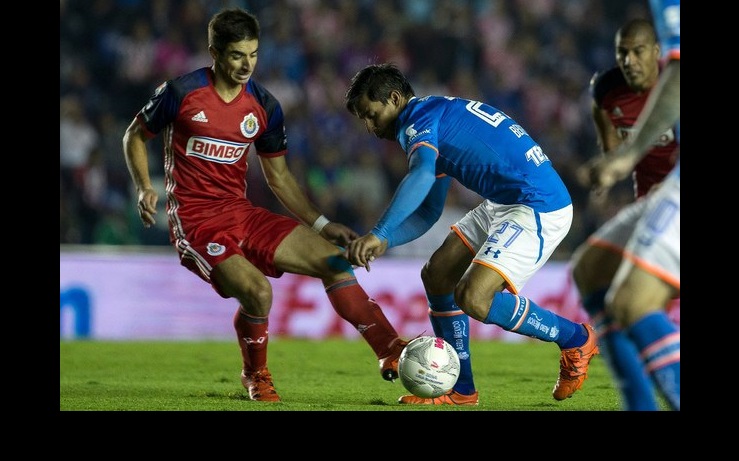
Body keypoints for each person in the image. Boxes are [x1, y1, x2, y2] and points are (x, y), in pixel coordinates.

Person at [122, 8, 407, 403]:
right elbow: (135, 136)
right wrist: (142, 187)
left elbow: (280, 178)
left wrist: (323, 225)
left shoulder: (264, 106)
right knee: (258, 293)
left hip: (241, 213)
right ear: (215, 53)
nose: (247, 65)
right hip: (195, 222)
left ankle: (391, 349)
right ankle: (255, 374)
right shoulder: (180, 93)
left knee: (335, 261)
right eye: (237, 55)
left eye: (253, 54)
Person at [343, 63, 598, 406]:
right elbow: (428, 211)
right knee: (437, 276)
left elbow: (420, 176)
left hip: (536, 204)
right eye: (364, 120)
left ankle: (576, 338)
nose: (371, 127)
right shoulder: (433, 118)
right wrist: (384, 242)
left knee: (474, 298)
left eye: (372, 115)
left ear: (393, 98)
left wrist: (378, 232)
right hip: (503, 202)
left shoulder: (417, 124)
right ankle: (462, 390)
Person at [570, 17, 678, 410]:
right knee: (592, 272)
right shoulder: (606, 89)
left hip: (675, 200)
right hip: (652, 201)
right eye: (622, 52)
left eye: (637, 51)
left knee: (634, 301)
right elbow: (608, 131)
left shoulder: (673, 83)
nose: (629, 60)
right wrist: (610, 162)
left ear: (657, 52)